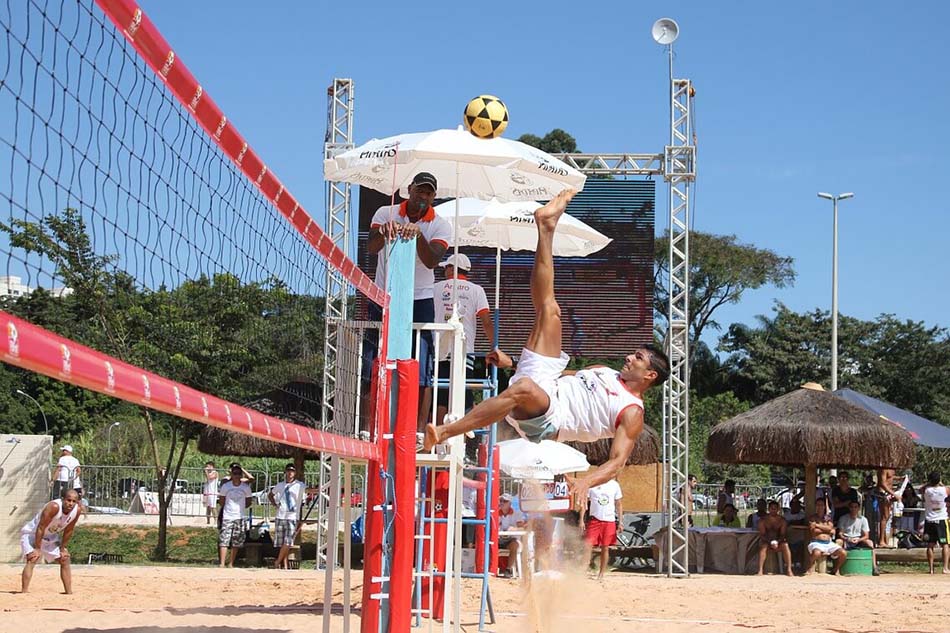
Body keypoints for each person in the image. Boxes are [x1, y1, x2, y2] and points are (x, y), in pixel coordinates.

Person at [424, 191, 670, 503]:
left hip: (548, 420)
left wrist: (585, 483)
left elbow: (616, 461)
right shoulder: (604, 372)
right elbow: (569, 373)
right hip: (548, 381)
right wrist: (511, 362)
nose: (629, 358)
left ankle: (446, 431)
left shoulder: (631, 412)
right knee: (550, 309)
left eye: (637, 358)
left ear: (649, 375)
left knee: (524, 388)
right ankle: (546, 226)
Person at [367, 172, 451, 431]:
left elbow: (432, 261)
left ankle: (416, 429)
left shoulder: (440, 224)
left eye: (428, 193)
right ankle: (369, 425)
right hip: (384, 296)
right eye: (419, 190)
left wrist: (417, 236)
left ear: (433, 197)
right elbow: (371, 247)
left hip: (420, 298)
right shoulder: (385, 212)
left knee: (422, 365)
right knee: (372, 361)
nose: (423, 196)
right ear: (409, 190)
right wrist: (385, 231)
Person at [433, 252, 497, 419]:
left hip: (439, 349)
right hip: (465, 350)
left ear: (452, 269)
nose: (444, 271)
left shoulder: (436, 288)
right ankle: (464, 439)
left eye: (446, 267)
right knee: (463, 394)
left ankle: (438, 439)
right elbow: (486, 321)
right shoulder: (477, 290)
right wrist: (494, 346)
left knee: (440, 396)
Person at [19, 488, 81, 594]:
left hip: (49, 536)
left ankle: (68, 593)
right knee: (33, 558)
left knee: (64, 559)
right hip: (33, 534)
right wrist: (37, 548)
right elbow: (40, 527)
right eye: (68, 500)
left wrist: (63, 548)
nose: (71, 503)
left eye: (74, 501)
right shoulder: (54, 507)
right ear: (63, 499)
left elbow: (69, 530)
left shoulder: (77, 511)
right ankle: (24, 592)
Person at [581, 478, 623, 579]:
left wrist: (621, 521)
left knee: (605, 547)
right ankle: (583, 571)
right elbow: (584, 503)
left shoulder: (614, 485)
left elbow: (619, 504)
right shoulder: (592, 484)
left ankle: (601, 573)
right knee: (587, 546)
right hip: (595, 519)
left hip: (609, 520)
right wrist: (581, 520)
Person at [269, 463, 306, 569]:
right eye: (288, 471)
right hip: (281, 515)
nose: (290, 473)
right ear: (285, 472)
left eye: (292, 471)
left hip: (292, 516)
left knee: (288, 542)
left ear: (295, 473)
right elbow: (270, 494)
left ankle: (277, 562)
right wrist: (275, 504)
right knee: (282, 543)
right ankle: (284, 564)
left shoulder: (299, 485)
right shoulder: (280, 485)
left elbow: (308, 491)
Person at [218, 463, 253, 568]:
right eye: (235, 473)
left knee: (236, 541)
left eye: (239, 473)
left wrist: (241, 508)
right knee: (224, 540)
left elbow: (248, 502)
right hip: (228, 516)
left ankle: (231, 563)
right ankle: (222, 563)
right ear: (231, 474)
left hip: (239, 516)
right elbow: (222, 500)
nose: (237, 475)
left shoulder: (245, 487)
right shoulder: (226, 486)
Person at [837, 500, 880, 575]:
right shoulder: (843, 518)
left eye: (855, 507)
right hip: (846, 539)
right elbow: (840, 533)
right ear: (849, 508)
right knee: (838, 542)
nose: (853, 509)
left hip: (858, 539)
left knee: (870, 543)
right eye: (852, 507)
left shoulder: (863, 519)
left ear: (858, 508)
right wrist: (847, 539)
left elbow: (866, 535)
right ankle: (836, 568)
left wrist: (859, 540)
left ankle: (874, 567)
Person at [807, 498, 846, 575]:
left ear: (825, 506)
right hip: (816, 542)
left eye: (821, 505)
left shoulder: (828, 518)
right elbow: (814, 531)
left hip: (828, 543)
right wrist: (827, 530)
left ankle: (835, 569)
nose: (819, 507)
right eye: (818, 505)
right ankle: (810, 567)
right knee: (816, 553)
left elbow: (830, 528)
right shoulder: (812, 518)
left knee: (843, 553)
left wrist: (817, 525)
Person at [920, 472, 950, 574]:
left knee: (930, 545)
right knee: (945, 544)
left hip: (929, 520)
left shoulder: (926, 490)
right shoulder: (944, 490)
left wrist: (929, 483)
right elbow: (947, 490)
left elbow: (921, 488)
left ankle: (931, 569)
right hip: (941, 519)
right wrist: (941, 484)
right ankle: (945, 568)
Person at [757, 500, 793, 576]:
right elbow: (762, 535)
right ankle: (760, 570)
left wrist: (778, 541)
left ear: (778, 509)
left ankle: (789, 569)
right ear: (768, 509)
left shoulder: (782, 520)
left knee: (785, 545)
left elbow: (783, 534)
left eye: (775, 508)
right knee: (763, 546)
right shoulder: (763, 520)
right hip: (766, 541)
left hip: (779, 542)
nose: (773, 510)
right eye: (771, 508)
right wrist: (770, 542)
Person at [497, 493, 527, 578]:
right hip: (498, 539)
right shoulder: (495, 513)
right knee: (490, 544)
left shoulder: (517, 514)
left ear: (510, 503)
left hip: (511, 540)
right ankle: (491, 568)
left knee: (514, 545)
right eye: (501, 500)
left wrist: (515, 529)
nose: (502, 503)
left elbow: (522, 528)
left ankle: (508, 569)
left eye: (505, 501)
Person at [202, 461, 219, 526]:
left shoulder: (215, 473)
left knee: (213, 506)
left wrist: (206, 472)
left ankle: (215, 520)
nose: (207, 468)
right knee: (208, 507)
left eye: (208, 466)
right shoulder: (207, 473)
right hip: (207, 491)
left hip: (212, 492)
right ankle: (208, 521)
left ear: (212, 466)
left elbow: (210, 478)